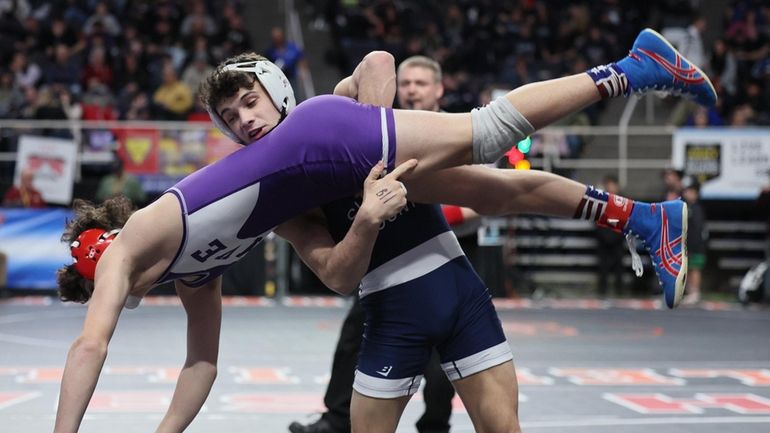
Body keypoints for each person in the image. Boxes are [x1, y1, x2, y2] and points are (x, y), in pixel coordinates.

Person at [53, 28, 714, 433]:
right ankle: (645, 218)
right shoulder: (196, 270)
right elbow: (202, 362)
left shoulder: (136, 234)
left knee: (486, 135)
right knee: (496, 187)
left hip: (328, 143)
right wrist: (367, 200)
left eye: (250, 102)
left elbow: (89, 348)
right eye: (234, 116)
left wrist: (372, 131)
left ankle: (634, 67)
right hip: (342, 185)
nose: (246, 121)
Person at [288, 55, 457, 433]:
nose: (412, 90)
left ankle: (435, 425)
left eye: (421, 84)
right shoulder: (386, 131)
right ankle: (336, 419)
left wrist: (432, 206)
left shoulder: (456, 131)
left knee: (441, 357)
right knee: (353, 335)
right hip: (385, 258)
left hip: (445, 256)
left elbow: (484, 195)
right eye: (407, 83)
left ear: (439, 90)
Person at [594, 174, 626, 298]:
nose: (611, 187)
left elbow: (625, 218)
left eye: (612, 184)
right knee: (603, 267)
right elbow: (596, 217)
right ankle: (602, 290)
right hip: (604, 237)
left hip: (617, 238)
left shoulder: (623, 201)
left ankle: (620, 290)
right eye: (608, 184)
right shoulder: (601, 200)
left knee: (619, 267)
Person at [681, 176, 708, 305]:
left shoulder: (696, 208)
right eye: (686, 191)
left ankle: (695, 292)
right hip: (687, 244)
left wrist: (696, 245)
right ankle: (690, 291)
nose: (687, 194)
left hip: (696, 245)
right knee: (688, 268)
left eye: (690, 191)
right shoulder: (686, 206)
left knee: (695, 268)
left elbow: (697, 230)